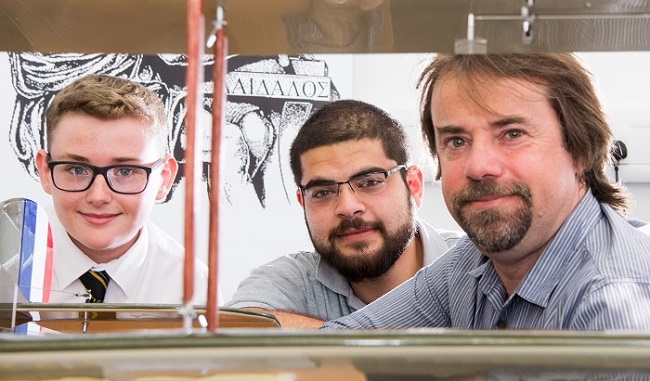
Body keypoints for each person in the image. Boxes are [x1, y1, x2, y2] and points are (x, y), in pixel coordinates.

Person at [323, 53, 650, 331]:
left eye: (512, 133)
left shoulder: (612, 306)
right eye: (456, 141)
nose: (478, 166)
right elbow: (344, 345)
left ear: (580, 148)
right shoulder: (472, 262)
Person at [225, 99, 461, 327]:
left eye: (370, 182)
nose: (348, 207)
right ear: (303, 203)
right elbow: (232, 330)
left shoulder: (480, 265)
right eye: (323, 192)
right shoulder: (291, 279)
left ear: (414, 186)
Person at [34, 73, 209, 305]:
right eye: (77, 170)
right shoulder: (9, 265)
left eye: (125, 172)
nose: (98, 196)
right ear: (45, 172)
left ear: (164, 179)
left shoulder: (193, 288)